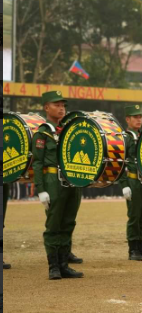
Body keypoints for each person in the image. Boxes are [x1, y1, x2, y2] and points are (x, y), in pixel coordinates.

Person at [32, 91, 84, 280]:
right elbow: (37, 163)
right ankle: (53, 266)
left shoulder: (71, 131)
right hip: (53, 181)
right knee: (54, 224)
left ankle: (64, 264)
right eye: (57, 105)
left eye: (63, 105)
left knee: (69, 222)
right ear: (47, 107)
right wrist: (41, 190)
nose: (62, 108)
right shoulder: (42, 132)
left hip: (72, 180)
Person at [119, 105, 142, 261]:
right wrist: (124, 184)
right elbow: (120, 162)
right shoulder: (125, 137)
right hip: (133, 179)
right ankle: (133, 248)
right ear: (127, 119)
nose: (138, 120)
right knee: (134, 215)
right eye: (135, 117)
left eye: (140, 117)